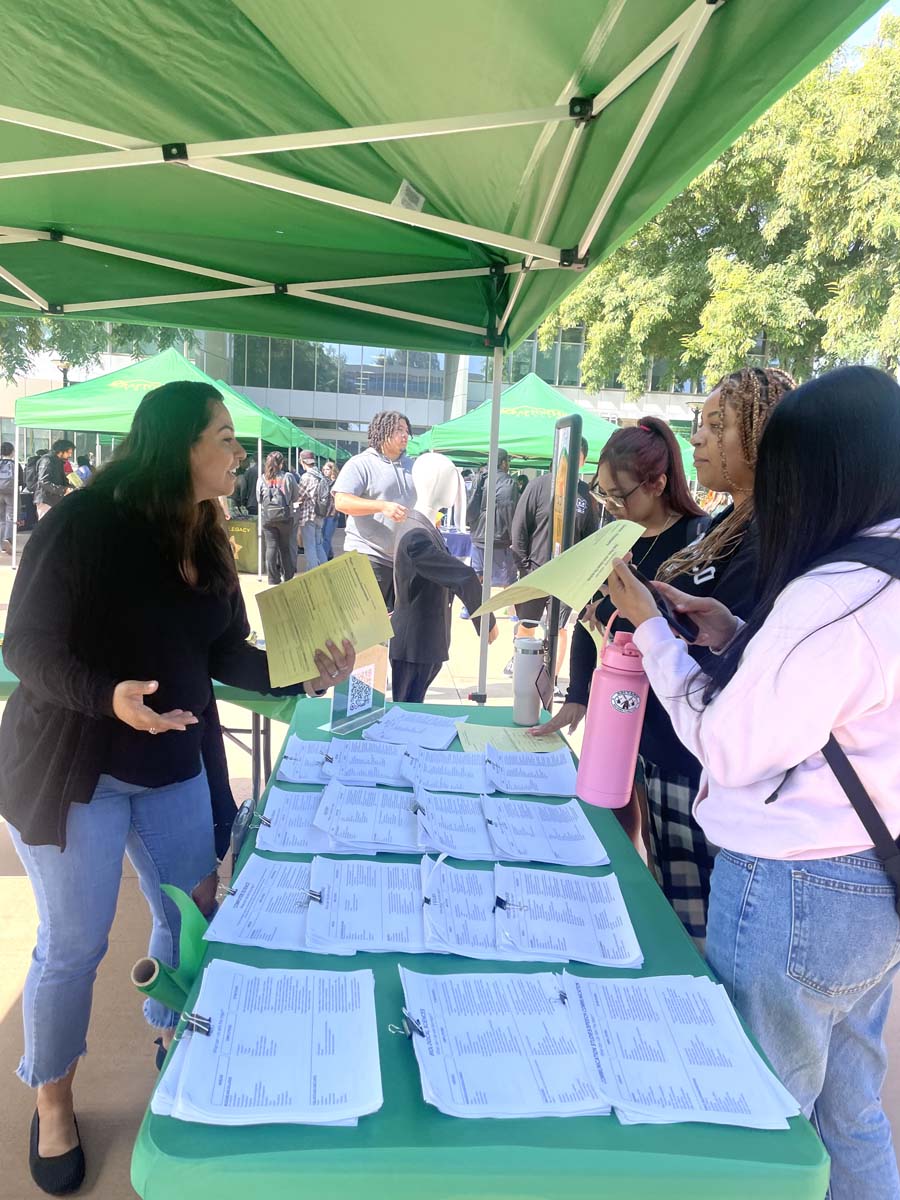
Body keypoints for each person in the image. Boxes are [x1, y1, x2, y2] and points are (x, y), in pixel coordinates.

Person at [0, 381, 355, 1196]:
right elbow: (25, 646)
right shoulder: (83, 523)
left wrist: (305, 670)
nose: (238, 453)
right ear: (178, 446)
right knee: (76, 944)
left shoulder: (207, 531)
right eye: (225, 437)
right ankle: (53, 1098)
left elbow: (225, 653)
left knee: (190, 914)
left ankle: (170, 1039)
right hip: (73, 764)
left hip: (170, 762)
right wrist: (107, 695)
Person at [608, 365, 900, 1200]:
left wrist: (653, 637)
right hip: (871, 884)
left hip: (794, 893)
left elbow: (730, 747)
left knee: (757, 1121)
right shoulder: (885, 571)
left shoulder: (832, 595)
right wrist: (736, 632)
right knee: (850, 1111)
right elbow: (840, 708)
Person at [534, 373, 794, 943]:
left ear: (760, 437)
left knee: (699, 928)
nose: (698, 439)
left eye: (717, 426)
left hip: (697, 759)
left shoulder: (771, 536)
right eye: (700, 425)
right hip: (657, 740)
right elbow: (723, 636)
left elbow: (733, 673)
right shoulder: (729, 526)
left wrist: (643, 618)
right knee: (669, 896)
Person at [391, 453, 497, 702]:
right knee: (406, 714)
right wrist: (486, 621)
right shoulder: (416, 535)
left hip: (423, 643)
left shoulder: (420, 526)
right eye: (453, 478)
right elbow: (463, 575)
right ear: (436, 483)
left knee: (411, 711)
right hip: (414, 646)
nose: (457, 486)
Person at [510, 437, 599, 681]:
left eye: (577, 457)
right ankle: (524, 676)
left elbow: (591, 538)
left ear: (582, 460)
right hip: (536, 573)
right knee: (527, 624)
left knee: (559, 629)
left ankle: (550, 680)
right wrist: (526, 569)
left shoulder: (585, 494)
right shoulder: (539, 486)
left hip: (568, 579)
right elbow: (518, 531)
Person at [332, 411, 415, 609]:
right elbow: (341, 501)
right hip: (367, 555)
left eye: (406, 431)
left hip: (403, 561)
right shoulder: (361, 463)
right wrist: (382, 506)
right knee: (366, 629)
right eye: (398, 430)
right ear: (382, 431)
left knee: (395, 628)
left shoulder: (413, 466)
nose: (404, 435)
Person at [468, 448, 519, 588]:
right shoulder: (508, 482)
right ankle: (513, 610)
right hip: (499, 540)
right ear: (503, 463)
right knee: (509, 582)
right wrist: (514, 539)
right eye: (507, 461)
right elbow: (510, 511)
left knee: (477, 579)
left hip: (477, 537)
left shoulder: (479, 478)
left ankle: (469, 610)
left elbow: (470, 506)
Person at [256, 451, 299, 585]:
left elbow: (259, 499)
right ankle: (288, 576)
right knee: (284, 547)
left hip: (267, 518)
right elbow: (295, 497)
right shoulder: (288, 477)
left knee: (271, 547)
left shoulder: (262, 478)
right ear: (281, 463)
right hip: (285, 517)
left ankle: (272, 578)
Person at [295, 450, 329, 571]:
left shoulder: (306, 477)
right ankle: (325, 569)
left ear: (302, 462)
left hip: (308, 515)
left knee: (309, 545)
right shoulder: (321, 476)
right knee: (318, 544)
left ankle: (313, 571)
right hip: (320, 514)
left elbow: (300, 495)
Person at [35, 439, 75, 518]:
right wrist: (64, 490)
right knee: (46, 527)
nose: (70, 455)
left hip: (55, 500)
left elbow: (60, 480)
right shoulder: (47, 460)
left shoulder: (58, 462)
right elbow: (43, 482)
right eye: (69, 452)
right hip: (46, 500)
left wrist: (71, 487)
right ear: (60, 451)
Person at [0, 440, 17, 552]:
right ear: (12, 452)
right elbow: (21, 481)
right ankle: (7, 539)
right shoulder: (14, 465)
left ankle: (1, 543)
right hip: (11, 493)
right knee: (10, 517)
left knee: (1, 519)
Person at [320, 460, 338, 560]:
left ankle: (324, 559)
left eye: (327, 469)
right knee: (324, 536)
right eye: (324, 469)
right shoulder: (323, 481)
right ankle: (330, 555)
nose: (325, 471)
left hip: (332, 513)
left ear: (332, 470)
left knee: (326, 537)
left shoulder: (337, 482)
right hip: (324, 512)